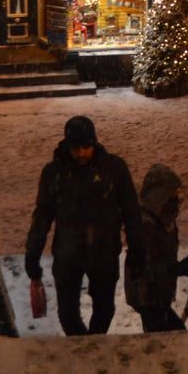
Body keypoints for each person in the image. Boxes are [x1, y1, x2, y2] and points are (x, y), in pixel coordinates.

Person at [25, 115, 144, 337]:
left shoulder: (114, 169)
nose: (82, 154)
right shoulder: (54, 174)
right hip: (68, 254)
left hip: (104, 252)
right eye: (76, 148)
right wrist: (33, 253)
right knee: (67, 313)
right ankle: (84, 345)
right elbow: (42, 216)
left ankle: (92, 345)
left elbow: (131, 211)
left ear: (95, 143)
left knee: (104, 309)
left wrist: (137, 249)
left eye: (86, 147)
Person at [124, 164, 188, 333]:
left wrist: (176, 269)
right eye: (171, 194)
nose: (176, 199)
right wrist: (174, 269)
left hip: (160, 295)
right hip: (147, 298)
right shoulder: (146, 226)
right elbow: (143, 269)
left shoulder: (165, 219)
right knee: (171, 337)